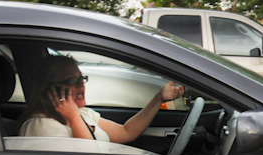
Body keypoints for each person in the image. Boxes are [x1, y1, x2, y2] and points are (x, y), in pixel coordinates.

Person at [19, 55, 184, 144]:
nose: (81, 86)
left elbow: (127, 132)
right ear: (49, 89)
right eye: (71, 81)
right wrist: (74, 118)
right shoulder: (41, 127)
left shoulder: (83, 113)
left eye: (81, 78)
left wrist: (158, 98)